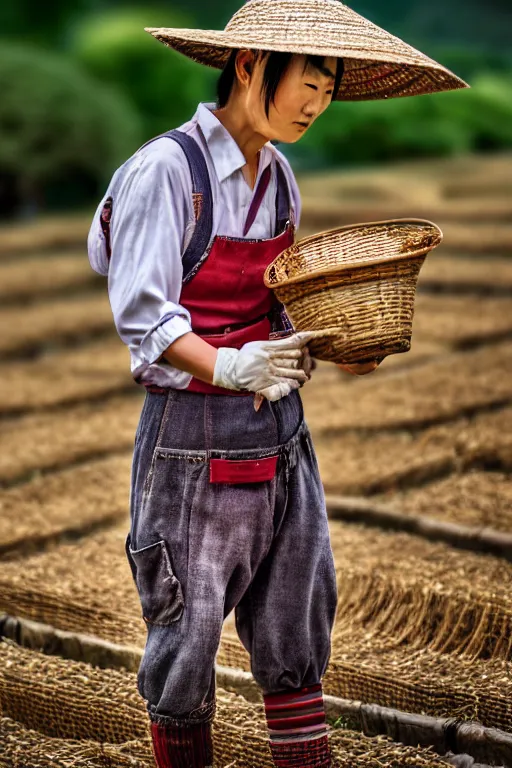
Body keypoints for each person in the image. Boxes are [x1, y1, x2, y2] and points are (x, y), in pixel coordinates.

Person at [87, 1, 467, 766]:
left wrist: (331, 347)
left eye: (330, 90)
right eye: (311, 82)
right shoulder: (168, 172)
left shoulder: (280, 180)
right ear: (252, 65)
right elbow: (143, 316)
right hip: (191, 439)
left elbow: (280, 306)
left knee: (295, 622)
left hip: (280, 433)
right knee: (186, 636)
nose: (318, 103)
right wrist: (228, 365)